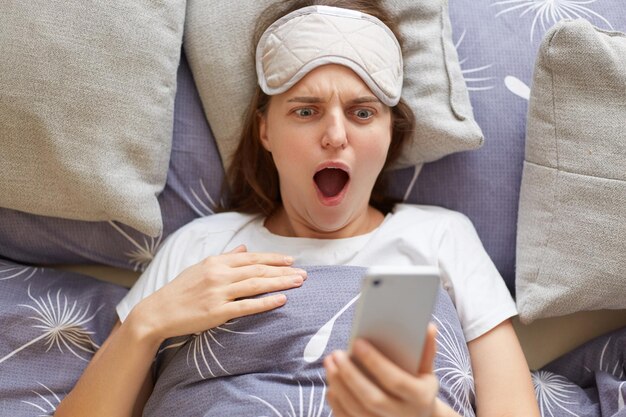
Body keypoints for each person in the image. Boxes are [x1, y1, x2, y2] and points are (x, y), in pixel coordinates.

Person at [55, 1, 540, 416]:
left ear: (390, 132)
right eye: (305, 111)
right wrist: (146, 324)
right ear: (266, 131)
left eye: (362, 112)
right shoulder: (203, 245)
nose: (334, 135)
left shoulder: (441, 237)